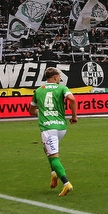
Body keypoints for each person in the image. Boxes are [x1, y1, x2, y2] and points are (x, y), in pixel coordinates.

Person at [29, 67, 78, 196]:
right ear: (55, 77)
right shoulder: (62, 88)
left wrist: (41, 112)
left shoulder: (39, 90)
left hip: (48, 127)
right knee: (48, 150)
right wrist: (74, 116)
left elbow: (31, 111)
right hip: (61, 127)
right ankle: (53, 173)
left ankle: (66, 183)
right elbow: (72, 99)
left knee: (52, 155)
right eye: (59, 77)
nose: (60, 79)